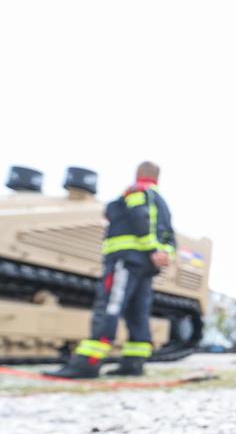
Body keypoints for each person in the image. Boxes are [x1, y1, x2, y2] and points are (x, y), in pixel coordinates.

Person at [45, 162, 175, 378]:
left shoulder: (136, 191)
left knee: (110, 306)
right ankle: (134, 362)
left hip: (126, 259)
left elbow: (139, 217)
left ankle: (89, 362)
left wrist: (151, 249)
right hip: (147, 266)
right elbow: (170, 235)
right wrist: (164, 253)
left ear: (138, 173)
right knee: (137, 312)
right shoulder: (162, 203)